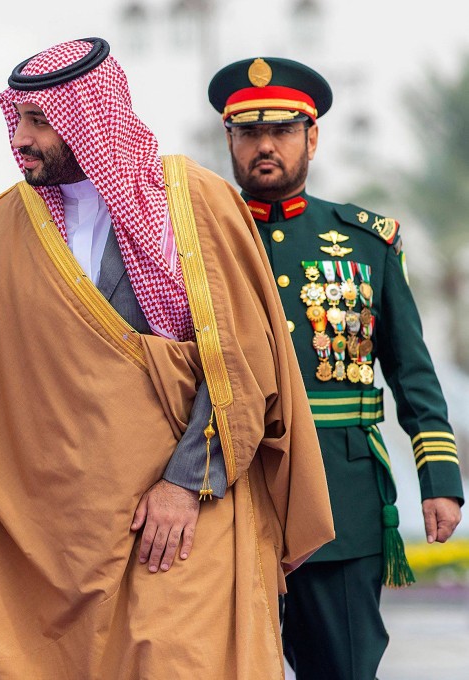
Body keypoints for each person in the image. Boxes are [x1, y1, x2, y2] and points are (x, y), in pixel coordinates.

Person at [0, 37, 334, 679]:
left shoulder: (192, 204)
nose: (19, 138)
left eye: (39, 120)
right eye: (16, 118)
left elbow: (238, 362)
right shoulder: (1, 229)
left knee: (178, 662)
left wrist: (185, 484)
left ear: (90, 117)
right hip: (66, 531)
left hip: (190, 508)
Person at [208, 56, 464, 679]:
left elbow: (412, 370)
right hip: (232, 491)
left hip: (341, 497)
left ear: (311, 137)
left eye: (283, 131)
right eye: (248, 133)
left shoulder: (365, 240)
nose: (264, 146)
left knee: (344, 669)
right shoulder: (201, 242)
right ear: (230, 140)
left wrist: (440, 477)